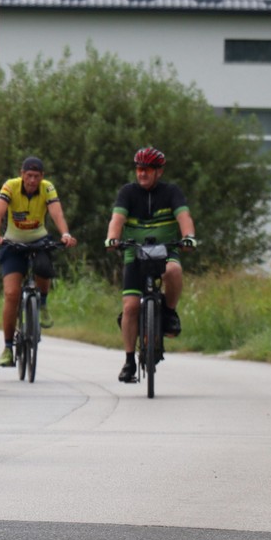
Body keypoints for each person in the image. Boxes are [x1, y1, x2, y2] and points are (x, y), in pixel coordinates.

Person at [106, 146, 197, 383]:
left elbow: (184, 217)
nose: (142, 174)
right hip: (135, 253)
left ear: (159, 171)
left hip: (165, 249)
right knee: (130, 308)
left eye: (147, 169)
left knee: (174, 270)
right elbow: (117, 219)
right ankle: (128, 362)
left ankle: (168, 312)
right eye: (139, 169)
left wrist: (188, 236)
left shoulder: (171, 192)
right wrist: (113, 238)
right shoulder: (128, 192)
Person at [0, 156, 77, 367]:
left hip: (39, 240)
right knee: (11, 294)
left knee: (44, 269)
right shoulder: (10, 186)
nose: (33, 180)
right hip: (12, 242)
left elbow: (57, 213)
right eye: (29, 176)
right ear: (22, 174)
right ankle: (8, 347)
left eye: (37, 176)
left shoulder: (47, 188)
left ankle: (42, 304)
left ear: (42, 177)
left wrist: (65, 234)